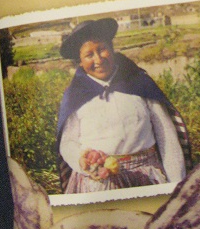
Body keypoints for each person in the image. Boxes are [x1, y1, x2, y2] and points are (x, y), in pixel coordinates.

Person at [56, 18, 191, 193]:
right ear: (80, 62)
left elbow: (167, 137)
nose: (98, 59)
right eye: (89, 55)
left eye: (102, 49)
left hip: (147, 178)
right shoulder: (75, 96)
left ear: (111, 49)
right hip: (98, 185)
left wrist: (177, 186)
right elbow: (68, 144)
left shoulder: (140, 84)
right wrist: (83, 162)